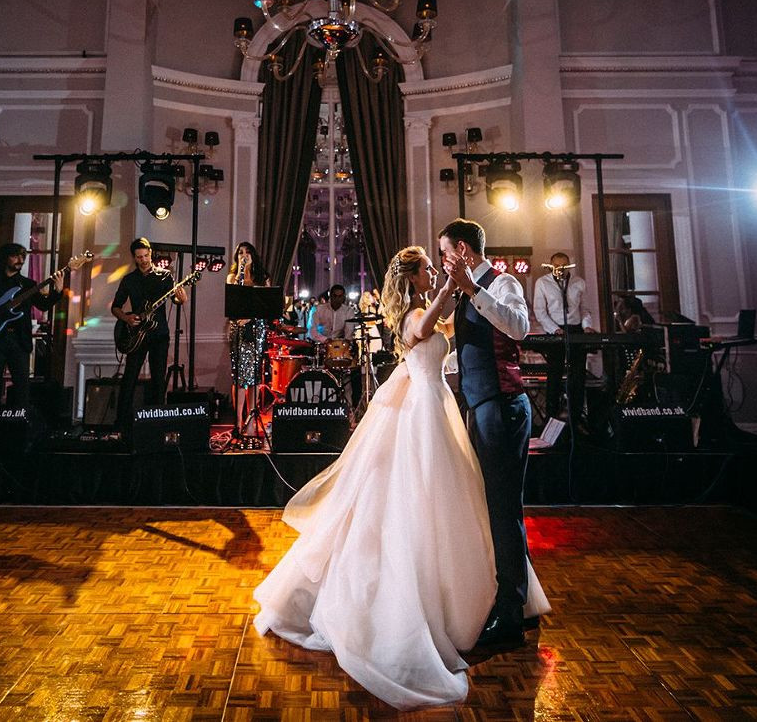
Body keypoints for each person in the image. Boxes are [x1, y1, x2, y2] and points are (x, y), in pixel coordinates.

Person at [253, 245, 549, 709]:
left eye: (436, 265)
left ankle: (489, 595)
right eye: (427, 268)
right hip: (421, 415)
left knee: (454, 500)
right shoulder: (414, 313)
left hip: (437, 407)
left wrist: (462, 291)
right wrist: (452, 285)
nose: (433, 270)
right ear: (412, 278)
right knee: (419, 498)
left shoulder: (428, 305)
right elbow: (428, 326)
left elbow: (453, 323)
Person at [439, 218, 538, 647]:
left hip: (504, 407)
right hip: (481, 406)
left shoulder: (501, 284)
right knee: (495, 505)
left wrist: (473, 291)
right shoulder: (465, 293)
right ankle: (521, 600)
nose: (443, 261)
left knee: (503, 507)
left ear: (462, 250)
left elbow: (519, 328)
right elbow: (472, 349)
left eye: (445, 253)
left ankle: (512, 614)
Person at [0, 243, 65, 407]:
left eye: (23, 256)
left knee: (22, 387)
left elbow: (43, 306)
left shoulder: (28, 285)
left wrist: (57, 291)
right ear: (5, 258)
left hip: (19, 340)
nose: (20, 259)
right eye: (16, 256)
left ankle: (18, 426)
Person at [111, 238, 186, 430]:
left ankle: (156, 424)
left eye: (146, 255)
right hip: (136, 334)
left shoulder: (165, 276)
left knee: (158, 379)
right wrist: (127, 319)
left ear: (151, 253)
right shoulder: (129, 280)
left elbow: (175, 301)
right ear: (134, 258)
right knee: (129, 377)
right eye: (139, 257)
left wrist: (180, 299)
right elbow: (116, 307)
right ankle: (121, 424)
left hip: (158, 334)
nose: (143, 260)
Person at [532, 253, 592, 421]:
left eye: (564, 266)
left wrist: (587, 327)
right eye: (557, 266)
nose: (560, 269)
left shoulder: (579, 283)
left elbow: (585, 309)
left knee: (578, 375)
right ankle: (552, 417)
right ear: (551, 266)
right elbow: (540, 311)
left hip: (576, 330)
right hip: (555, 331)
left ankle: (577, 416)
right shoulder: (542, 283)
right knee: (555, 374)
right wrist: (554, 329)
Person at [227, 242, 270, 437]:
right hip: (238, 329)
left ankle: (251, 420)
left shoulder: (262, 277)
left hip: (256, 328)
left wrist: (252, 317)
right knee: (240, 377)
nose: (244, 255)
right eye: (240, 253)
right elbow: (233, 298)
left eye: (247, 252)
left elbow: (267, 305)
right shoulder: (232, 277)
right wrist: (241, 272)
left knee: (253, 377)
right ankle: (238, 422)